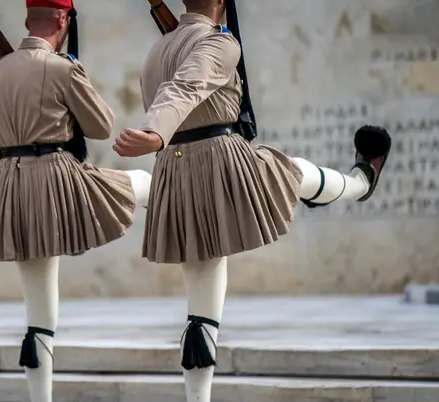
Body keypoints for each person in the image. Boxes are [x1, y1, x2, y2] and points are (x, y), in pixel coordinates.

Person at [114, 0, 392, 400]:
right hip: (219, 160)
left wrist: (159, 136)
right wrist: (155, 132)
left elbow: (173, 90)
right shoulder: (220, 43)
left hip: (175, 167)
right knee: (290, 169)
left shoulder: (157, 49)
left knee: (201, 304)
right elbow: (186, 86)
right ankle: (360, 182)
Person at [0, 0, 152, 400]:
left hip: (11, 182)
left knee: (38, 303)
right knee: (140, 182)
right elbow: (101, 126)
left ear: (27, 19)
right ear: (63, 19)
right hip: (57, 177)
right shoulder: (61, 68)